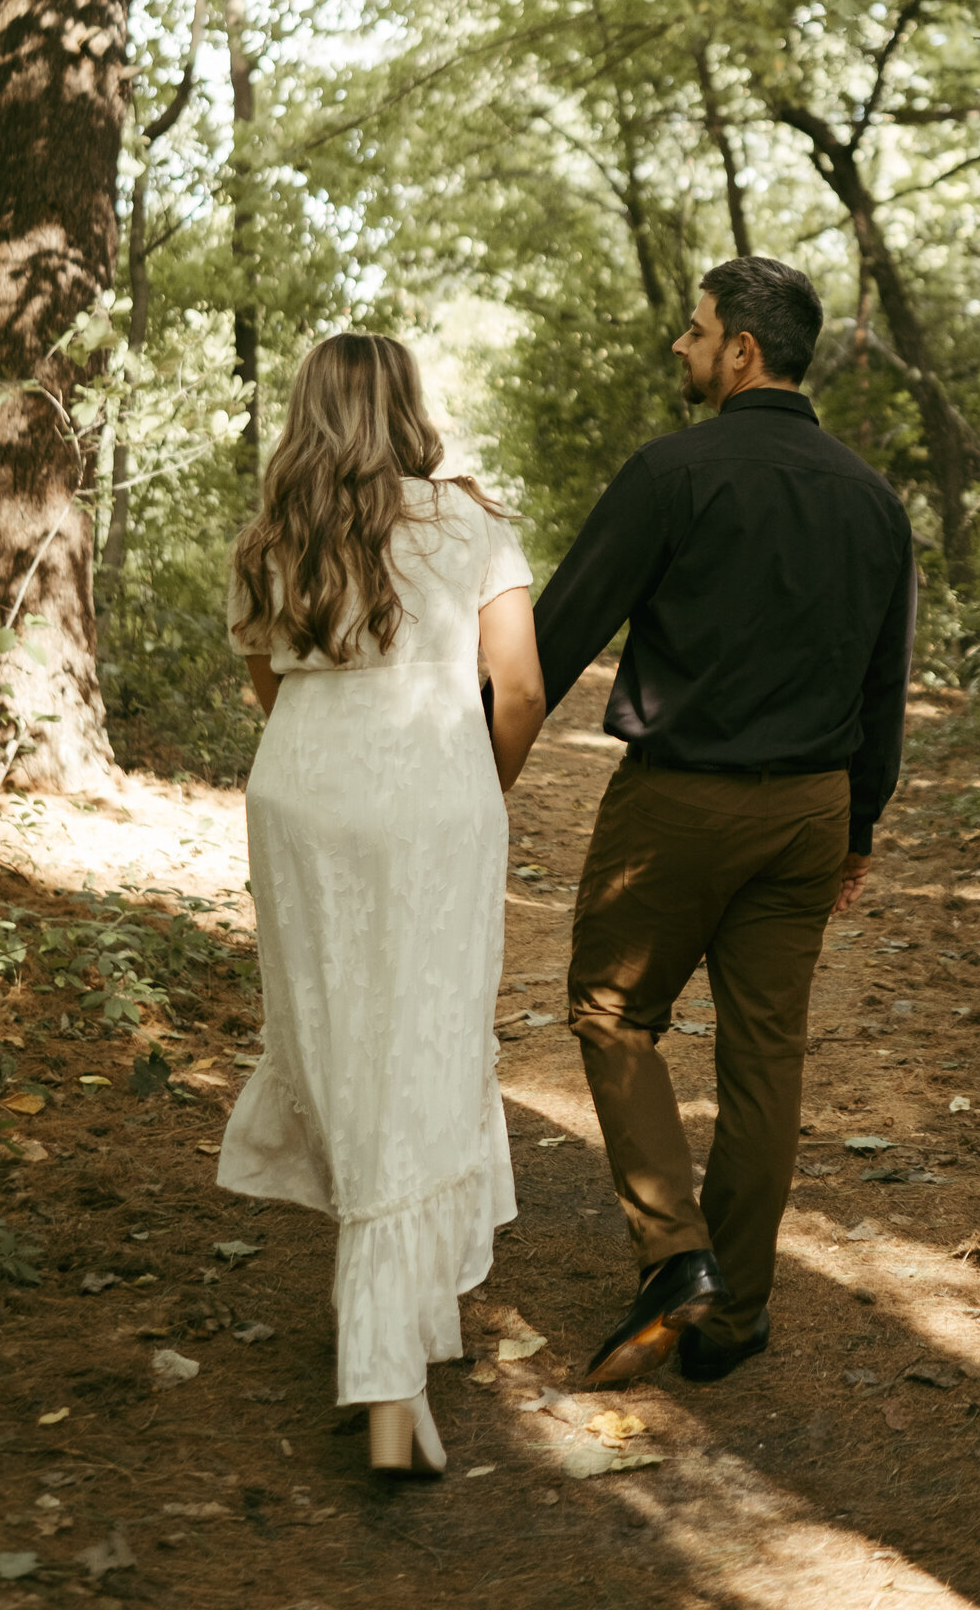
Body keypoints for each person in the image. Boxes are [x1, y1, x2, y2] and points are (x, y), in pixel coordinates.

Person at [533, 255, 916, 1387]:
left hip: (679, 805)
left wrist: (466, 762)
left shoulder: (671, 473)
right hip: (810, 812)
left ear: (742, 350)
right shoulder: (873, 500)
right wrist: (858, 826)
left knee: (611, 1012)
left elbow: (554, 641)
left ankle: (674, 1254)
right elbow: (882, 687)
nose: (680, 347)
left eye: (694, 330)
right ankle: (735, 1314)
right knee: (765, 1057)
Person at [219, 333, 544, 1478]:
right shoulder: (467, 524)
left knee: (345, 1045)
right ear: (406, 406)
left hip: (303, 795)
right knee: (427, 1040)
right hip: (431, 799)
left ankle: (410, 1325)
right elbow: (524, 686)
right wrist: (476, 787)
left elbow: (267, 684)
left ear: (307, 411)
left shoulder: (273, 535)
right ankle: (390, 1389)